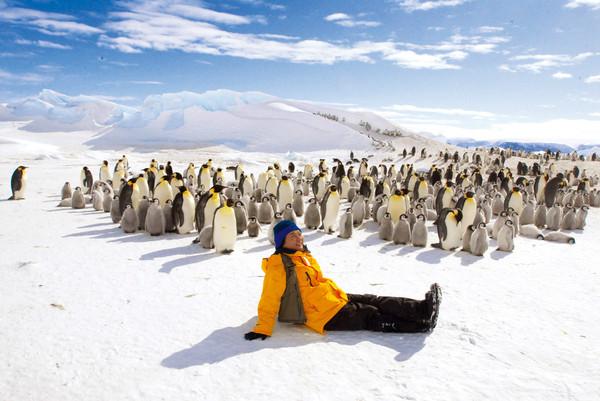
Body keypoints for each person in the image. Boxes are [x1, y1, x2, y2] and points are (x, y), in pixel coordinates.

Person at [244, 220, 442, 341]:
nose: (299, 238)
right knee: (369, 314)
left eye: (299, 233)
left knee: (374, 299)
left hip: (332, 298)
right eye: (292, 236)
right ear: (281, 241)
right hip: (321, 314)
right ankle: (419, 325)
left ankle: (422, 309)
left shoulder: (303, 256)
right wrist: (263, 327)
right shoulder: (279, 263)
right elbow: (270, 297)